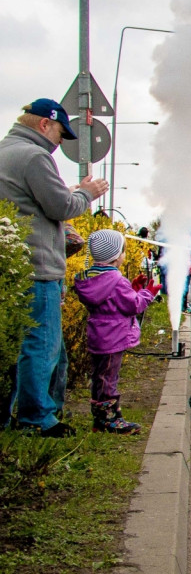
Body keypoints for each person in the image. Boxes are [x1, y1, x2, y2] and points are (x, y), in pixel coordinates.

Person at [0, 99, 109, 436]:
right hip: (39, 266)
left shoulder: (6, 151)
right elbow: (60, 207)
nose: (61, 142)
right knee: (41, 345)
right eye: (61, 133)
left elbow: (28, 202)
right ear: (44, 124)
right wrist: (86, 194)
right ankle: (37, 419)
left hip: (14, 266)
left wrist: (68, 192)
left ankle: (17, 415)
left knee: (20, 347)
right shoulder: (35, 156)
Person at [72, 230, 159, 434]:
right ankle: (108, 420)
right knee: (109, 378)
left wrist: (133, 288)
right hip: (113, 337)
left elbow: (112, 302)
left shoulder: (92, 278)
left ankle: (101, 417)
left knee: (99, 376)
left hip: (98, 335)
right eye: (123, 252)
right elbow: (134, 306)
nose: (124, 255)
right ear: (115, 255)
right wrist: (147, 293)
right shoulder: (117, 281)